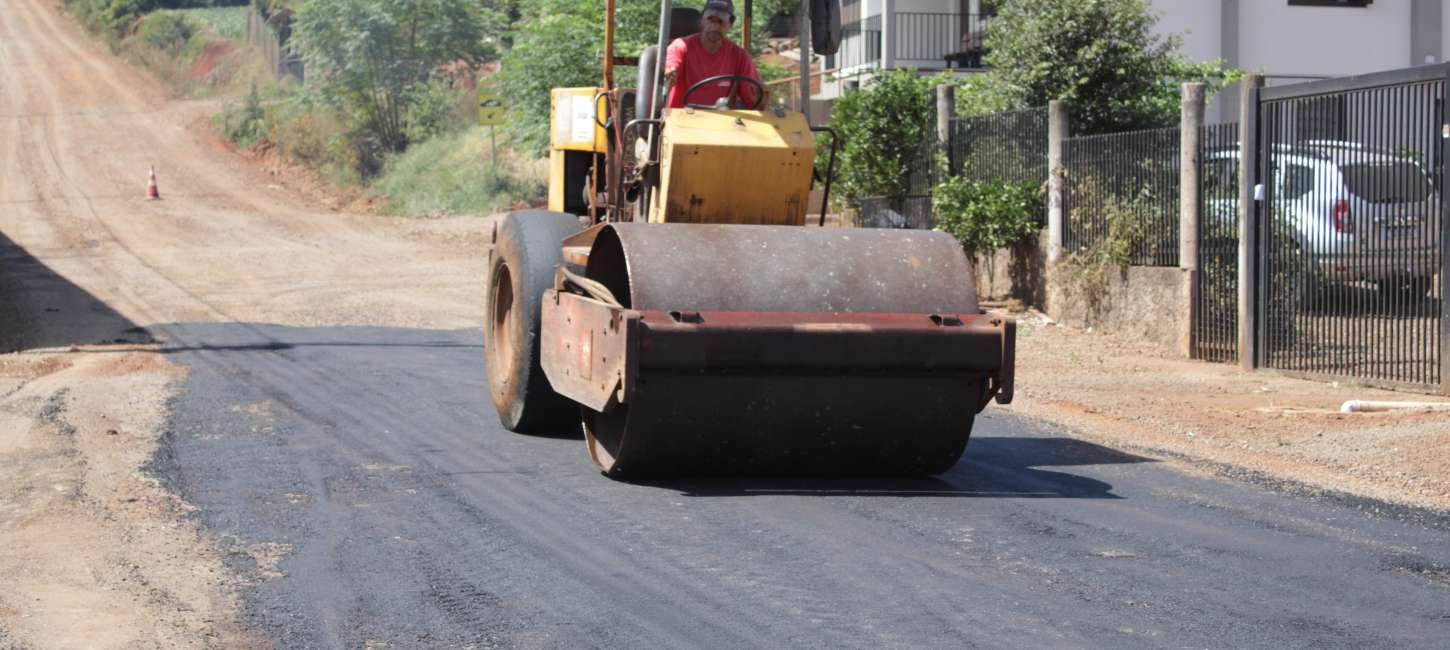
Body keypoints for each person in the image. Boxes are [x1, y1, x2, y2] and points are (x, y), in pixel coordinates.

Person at [663, 0, 763, 109]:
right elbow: (671, 67)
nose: (715, 27)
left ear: (730, 24)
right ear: (702, 20)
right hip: (681, 120)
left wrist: (759, 95)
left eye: (721, 21)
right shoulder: (680, 47)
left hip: (721, 122)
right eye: (710, 20)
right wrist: (670, 73)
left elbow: (753, 100)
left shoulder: (739, 56)